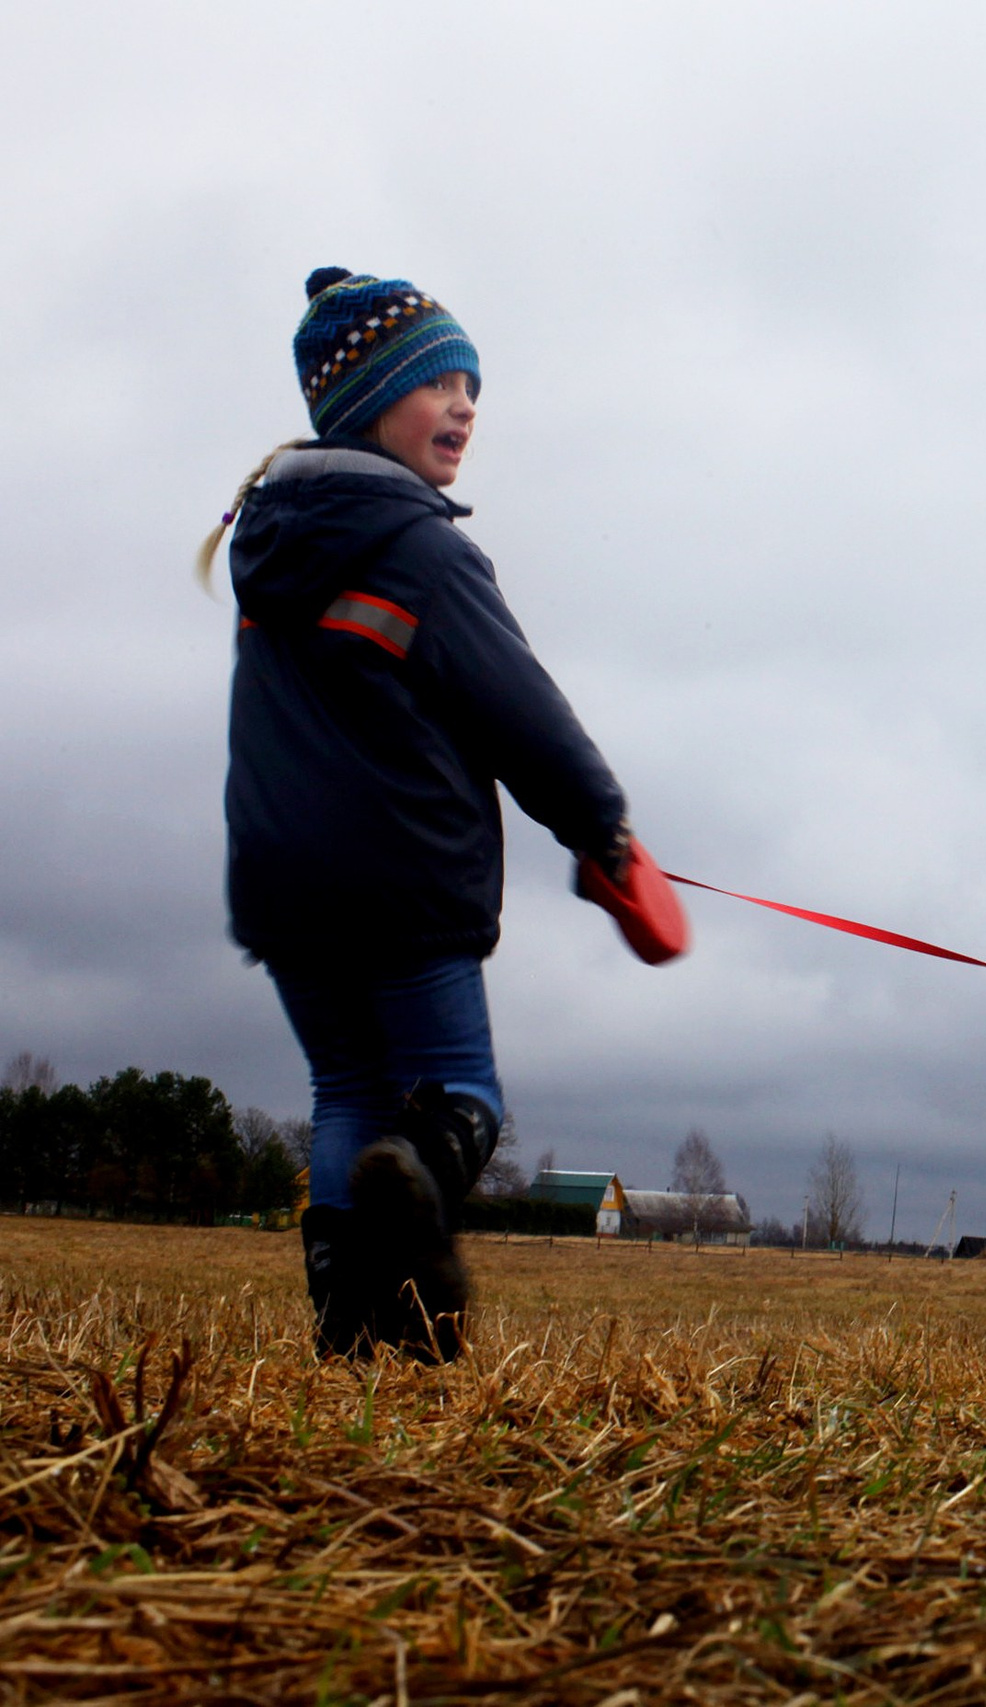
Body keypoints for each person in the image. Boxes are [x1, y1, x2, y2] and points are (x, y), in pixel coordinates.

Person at [205, 268, 652, 1361]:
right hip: (405, 879)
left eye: (472, 389)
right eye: (437, 384)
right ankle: (409, 1240)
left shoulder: (270, 554)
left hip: (279, 884)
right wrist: (602, 827)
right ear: (365, 399)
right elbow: (522, 715)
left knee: (346, 1088)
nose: (464, 407)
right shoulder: (422, 549)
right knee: (455, 1091)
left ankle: (347, 1326)